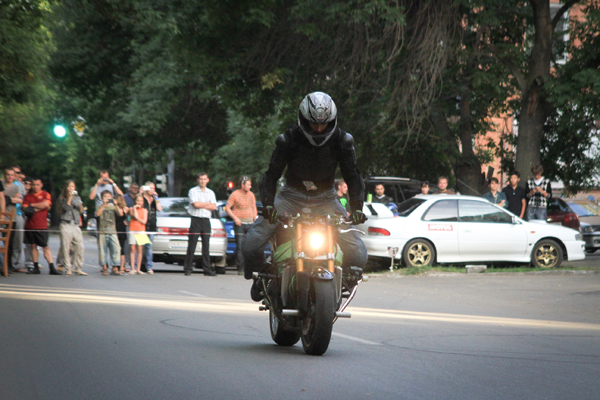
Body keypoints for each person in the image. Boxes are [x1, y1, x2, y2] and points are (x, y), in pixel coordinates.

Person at [242, 91, 367, 301]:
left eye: (324, 124)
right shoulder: (287, 140)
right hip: (291, 196)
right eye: (313, 124)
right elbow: (271, 174)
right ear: (302, 119)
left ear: (333, 120)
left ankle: (344, 281)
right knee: (250, 244)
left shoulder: (343, 141)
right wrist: (269, 205)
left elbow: (353, 175)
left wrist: (357, 209)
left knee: (358, 253)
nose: (319, 128)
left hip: (326, 199)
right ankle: (261, 277)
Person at [183, 172, 217, 277]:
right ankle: (188, 268)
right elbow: (195, 205)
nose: (202, 181)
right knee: (192, 245)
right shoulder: (193, 191)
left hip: (206, 220)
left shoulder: (210, 192)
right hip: (196, 220)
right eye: (201, 179)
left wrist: (203, 205)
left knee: (206, 246)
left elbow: (214, 207)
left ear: (207, 180)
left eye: (204, 179)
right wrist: (207, 204)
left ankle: (207, 269)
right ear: (198, 180)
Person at [23, 178, 59, 275]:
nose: (35, 187)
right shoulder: (27, 196)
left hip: (42, 225)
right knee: (33, 246)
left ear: (41, 185)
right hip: (30, 225)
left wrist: (32, 205)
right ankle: (35, 267)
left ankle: (52, 267)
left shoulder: (45, 194)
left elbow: (46, 204)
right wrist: (39, 206)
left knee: (45, 246)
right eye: (34, 185)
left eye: (37, 184)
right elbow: (25, 208)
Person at [225, 176, 258, 275]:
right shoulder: (235, 194)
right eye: (248, 185)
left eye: (250, 185)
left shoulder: (251, 195)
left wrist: (255, 219)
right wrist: (235, 218)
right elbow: (227, 208)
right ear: (242, 185)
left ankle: (251, 267)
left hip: (250, 223)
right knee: (240, 246)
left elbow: (254, 207)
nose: (250, 186)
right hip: (239, 223)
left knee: (251, 246)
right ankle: (240, 268)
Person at [57, 180, 87, 276]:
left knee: (79, 247)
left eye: (73, 186)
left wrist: (80, 205)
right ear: (66, 188)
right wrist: (69, 198)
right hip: (66, 224)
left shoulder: (77, 198)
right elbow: (66, 208)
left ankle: (78, 268)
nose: (71, 188)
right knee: (65, 248)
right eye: (69, 186)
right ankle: (68, 268)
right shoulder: (62, 198)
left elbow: (81, 210)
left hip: (75, 224)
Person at [95, 190, 123, 275]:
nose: (107, 198)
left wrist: (115, 204)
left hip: (112, 231)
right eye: (105, 196)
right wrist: (104, 204)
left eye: (109, 196)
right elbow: (98, 214)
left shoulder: (113, 207)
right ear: (102, 198)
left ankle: (115, 267)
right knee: (103, 250)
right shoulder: (100, 206)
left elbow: (120, 214)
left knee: (116, 249)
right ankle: (104, 267)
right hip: (103, 231)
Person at [3, 168, 25, 272]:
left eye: (12, 175)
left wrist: (7, 199)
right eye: (8, 174)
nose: (10, 177)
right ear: (5, 175)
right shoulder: (1, 185)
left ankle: (9, 265)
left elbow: (19, 200)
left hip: (12, 218)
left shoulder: (16, 187)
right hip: (2, 217)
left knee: (10, 243)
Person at [142, 182, 162, 275]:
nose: (152, 190)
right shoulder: (142, 198)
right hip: (142, 226)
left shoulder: (154, 199)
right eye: (150, 188)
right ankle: (139, 266)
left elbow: (159, 208)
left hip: (152, 226)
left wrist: (156, 198)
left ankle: (149, 266)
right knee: (141, 246)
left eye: (153, 188)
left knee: (149, 246)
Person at [129, 194, 148, 275]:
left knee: (140, 249)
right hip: (132, 229)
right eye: (137, 201)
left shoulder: (144, 210)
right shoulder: (131, 209)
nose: (139, 202)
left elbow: (144, 222)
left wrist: (138, 219)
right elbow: (135, 216)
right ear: (135, 201)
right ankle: (132, 268)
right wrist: (134, 208)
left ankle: (138, 268)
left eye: (141, 201)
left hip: (141, 230)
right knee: (132, 249)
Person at [114, 194, 129, 274]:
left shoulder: (124, 208)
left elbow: (121, 214)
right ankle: (116, 266)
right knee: (116, 249)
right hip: (114, 229)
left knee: (121, 249)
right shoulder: (113, 208)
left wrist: (128, 221)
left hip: (121, 230)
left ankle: (122, 267)